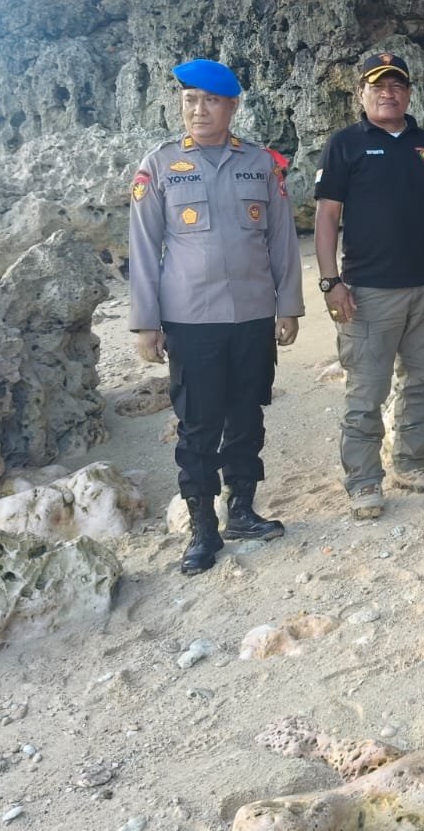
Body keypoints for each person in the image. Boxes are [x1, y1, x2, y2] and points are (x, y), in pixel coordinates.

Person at [128, 58, 304, 576]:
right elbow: (143, 247)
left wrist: (288, 306)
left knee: (247, 416)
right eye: (190, 101)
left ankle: (243, 510)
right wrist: (146, 321)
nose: (198, 110)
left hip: (251, 315)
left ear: (231, 106)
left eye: (210, 101)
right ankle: (203, 530)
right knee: (199, 427)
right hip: (191, 319)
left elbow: (282, 241)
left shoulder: (261, 163)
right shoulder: (159, 165)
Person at [314, 50, 424, 520]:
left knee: (423, 383)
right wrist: (331, 281)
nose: (387, 93)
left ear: (409, 93)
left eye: (396, 85)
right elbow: (327, 217)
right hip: (367, 291)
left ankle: (411, 464)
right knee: (366, 391)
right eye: (377, 85)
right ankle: (364, 481)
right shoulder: (345, 144)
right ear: (362, 94)